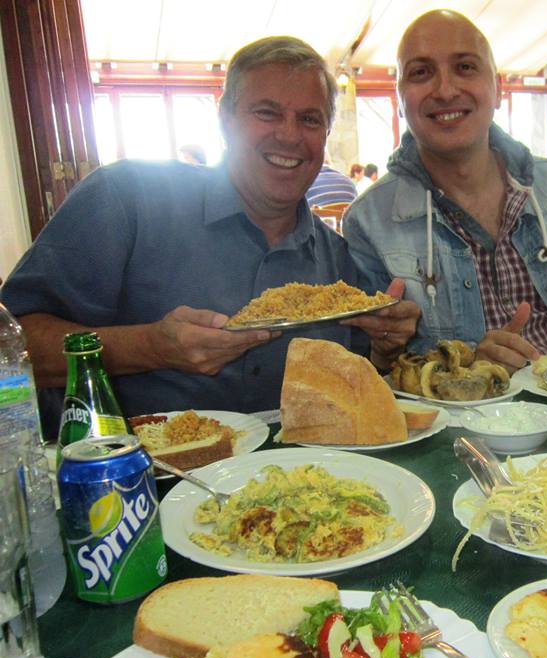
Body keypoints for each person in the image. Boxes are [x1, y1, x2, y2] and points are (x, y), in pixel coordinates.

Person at [0, 35, 419, 433]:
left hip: (297, 477)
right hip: (137, 475)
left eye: (310, 119)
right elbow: (10, 348)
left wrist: (384, 349)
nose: (290, 135)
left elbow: (358, 386)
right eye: (267, 112)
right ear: (225, 120)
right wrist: (149, 346)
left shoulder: (339, 264)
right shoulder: (126, 198)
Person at [342, 10, 547, 372]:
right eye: (421, 72)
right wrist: (467, 368)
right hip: (468, 411)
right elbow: (379, 364)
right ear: (399, 99)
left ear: (498, 89)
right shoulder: (368, 222)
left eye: (465, 67)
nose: (445, 90)